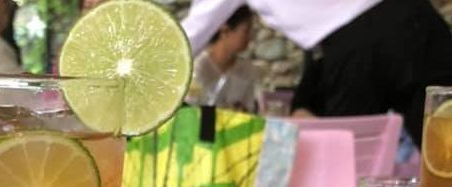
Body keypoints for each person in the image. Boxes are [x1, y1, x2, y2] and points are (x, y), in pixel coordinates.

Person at [181, 0, 452, 147]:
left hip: (357, 39)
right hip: (418, 17)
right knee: (444, 150)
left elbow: (183, 41)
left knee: (344, 165)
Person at [187, 5, 260, 111]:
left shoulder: (247, 70)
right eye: (246, 31)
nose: (250, 37)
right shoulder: (197, 67)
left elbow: (249, 109)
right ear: (225, 30)